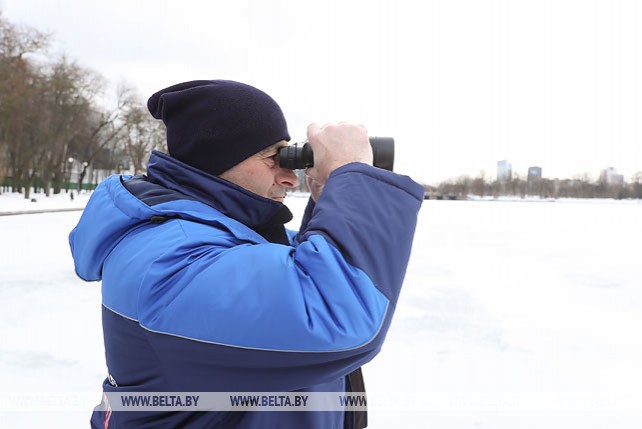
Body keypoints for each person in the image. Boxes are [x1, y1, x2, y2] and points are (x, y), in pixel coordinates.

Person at [70, 80, 423, 429]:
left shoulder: (229, 237)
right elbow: (338, 318)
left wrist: (331, 196)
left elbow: (306, 267)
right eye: (276, 158)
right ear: (216, 158)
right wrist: (352, 176)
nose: (291, 178)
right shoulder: (170, 260)